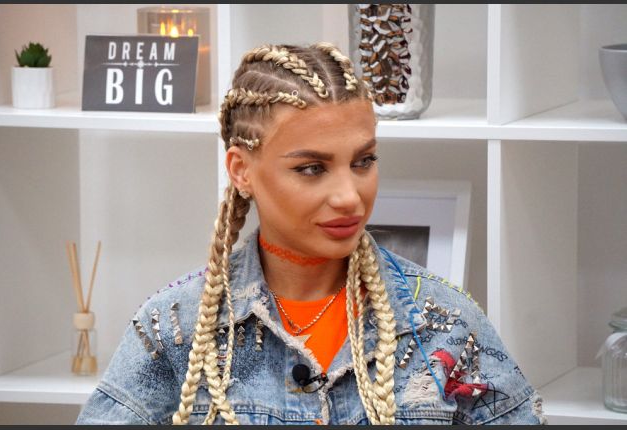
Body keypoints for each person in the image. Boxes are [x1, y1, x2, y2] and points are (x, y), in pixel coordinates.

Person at [76, 42, 546, 425]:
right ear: (241, 170)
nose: (349, 196)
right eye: (311, 168)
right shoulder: (175, 328)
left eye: (363, 161)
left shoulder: (442, 322)